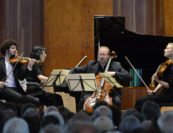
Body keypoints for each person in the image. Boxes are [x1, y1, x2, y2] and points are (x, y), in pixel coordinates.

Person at [70, 46, 132, 111]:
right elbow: (76, 70)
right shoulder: (91, 65)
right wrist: (68, 74)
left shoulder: (116, 65)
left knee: (117, 101)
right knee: (83, 99)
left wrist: (114, 73)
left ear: (108, 56)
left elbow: (129, 77)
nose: (101, 56)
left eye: (104, 55)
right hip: (92, 93)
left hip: (111, 94)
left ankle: (115, 117)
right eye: (100, 54)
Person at [135, 42, 173, 111]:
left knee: (140, 101)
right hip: (164, 93)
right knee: (140, 100)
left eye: (167, 48)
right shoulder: (167, 64)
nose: (164, 50)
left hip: (170, 95)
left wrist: (158, 80)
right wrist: (154, 92)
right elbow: (163, 81)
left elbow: (168, 85)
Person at [0, 39, 39, 105]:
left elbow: (21, 77)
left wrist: (29, 67)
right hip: (5, 89)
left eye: (15, 48)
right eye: (13, 48)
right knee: (19, 98)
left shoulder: (16, 62)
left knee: (36, 100)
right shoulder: (1, 62)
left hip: (16, 88)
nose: (15, 50)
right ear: (6, 50)